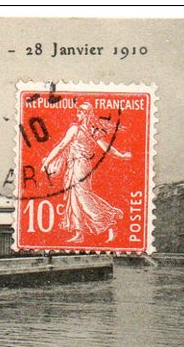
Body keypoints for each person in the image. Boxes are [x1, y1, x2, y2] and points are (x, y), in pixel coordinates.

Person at [41, 102, 131, 244]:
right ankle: (79, 233)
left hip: (81, 165)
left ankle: (109, 222)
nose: (78, 115)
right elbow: (62, 146)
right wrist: (120, 154)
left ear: (86, 114)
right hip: (74, 165)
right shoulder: (83, 130)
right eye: (78, 113)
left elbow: (104, 147)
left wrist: (120, 154)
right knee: (74, 197)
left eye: (80, 113)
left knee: (83, 197)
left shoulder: (85, 130)